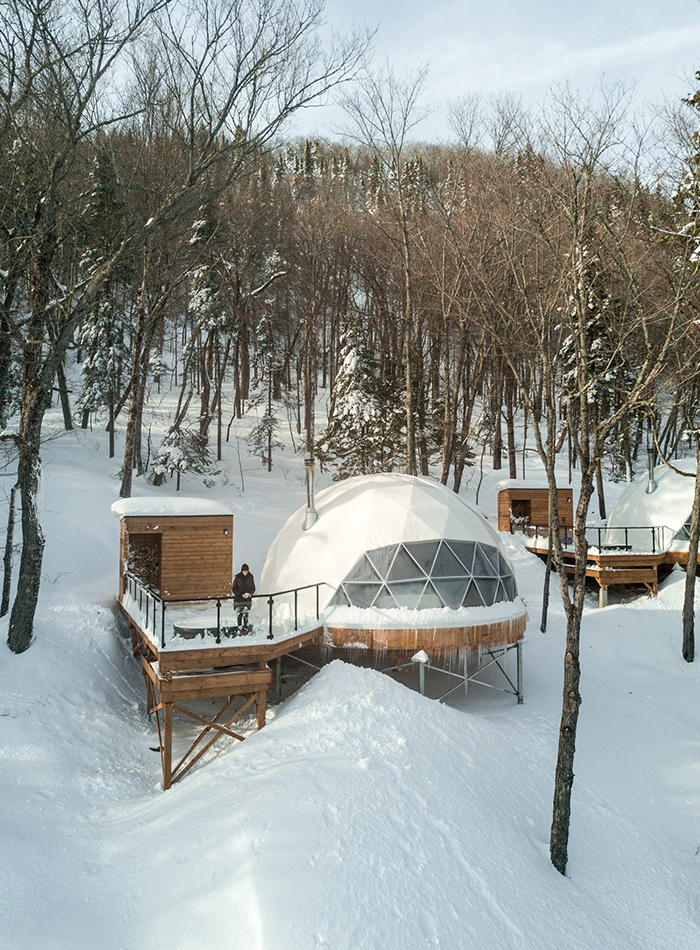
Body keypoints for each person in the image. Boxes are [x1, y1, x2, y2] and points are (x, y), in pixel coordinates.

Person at [233, 563, 255, 631]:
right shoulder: (238, 578)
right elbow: (234, 589)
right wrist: (241, 594)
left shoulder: (250, 577)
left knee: (246, 614)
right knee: (239, 614)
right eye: (244, 571)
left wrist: (250, 593)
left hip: (247, 600)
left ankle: (245, 627)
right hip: (239, 600)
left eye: (246, 571)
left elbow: (253, 588)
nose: (245, 573)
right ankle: (240, 627)